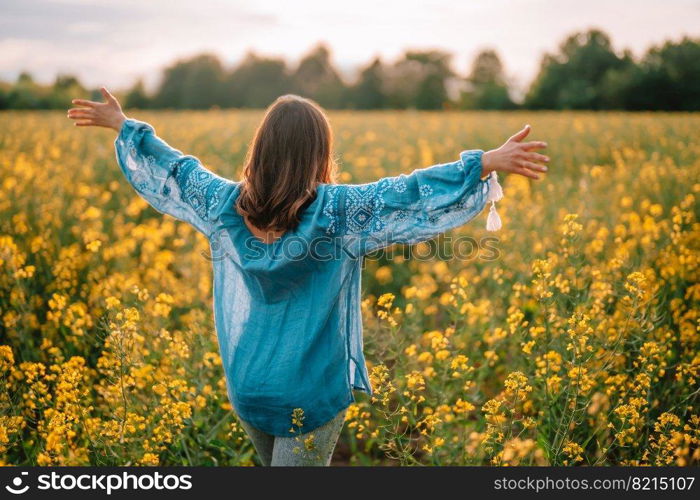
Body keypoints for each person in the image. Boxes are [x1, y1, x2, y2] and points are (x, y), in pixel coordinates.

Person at [67, 88, 548, 466]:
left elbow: (178, 169)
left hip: (248, 382)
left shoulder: (220, 204)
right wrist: (481, 163)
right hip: (309, 392)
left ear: (262, 148)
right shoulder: (339, 212)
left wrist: (125, 125)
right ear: (319, 152)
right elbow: (405, 193)